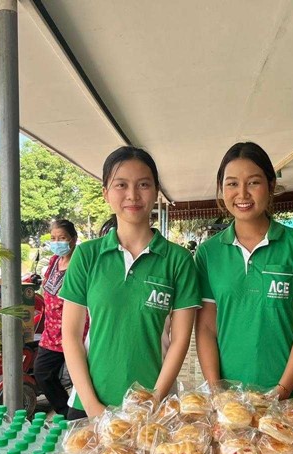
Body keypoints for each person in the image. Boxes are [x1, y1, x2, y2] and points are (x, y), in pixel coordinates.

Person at [59, 146, 201, 419]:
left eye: (143, 185)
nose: (132, 195)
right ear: (105, 193)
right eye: (121, 185)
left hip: (156, 408)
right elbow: (71, 336)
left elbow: (180, 340)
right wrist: (93, 408)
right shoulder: (87, 256)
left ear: (156, 191)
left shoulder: (178, 260)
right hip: (89, 404)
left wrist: (153, 401)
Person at [195, 141, 293, 400]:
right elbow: (206, 329)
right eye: (232, 184)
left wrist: (281, 391)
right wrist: (217, 391)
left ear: (271, 185)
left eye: (253, 182)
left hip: (292, 394)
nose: (242, 194)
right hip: (230, 399)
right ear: (221, 189)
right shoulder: (208, 253)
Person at [32, 219, 79, 417]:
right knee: (42, 372)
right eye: (53, 238)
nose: (57, 242)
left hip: (73, 330)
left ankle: (82, 414)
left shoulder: (79, 263)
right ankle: (65, 412)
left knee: (80, 375)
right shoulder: (53, 261)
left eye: (62, 238)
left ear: (73, 239)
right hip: (51, 331)